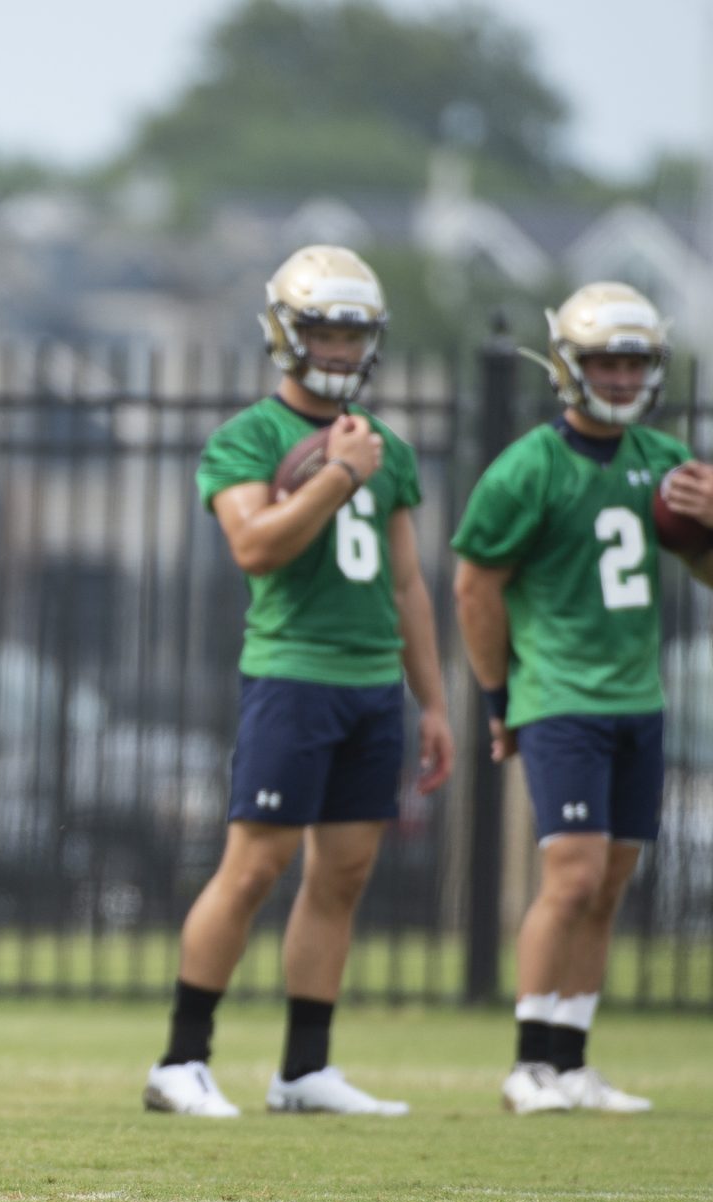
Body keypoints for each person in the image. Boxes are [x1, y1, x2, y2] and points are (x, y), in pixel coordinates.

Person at [144, 245, 454, 1118]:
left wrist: (432, 701)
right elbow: (257, 547)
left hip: (370, 686)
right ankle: (181, 1059)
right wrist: (338, 474)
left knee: (345, 874)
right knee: (252, 869)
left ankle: (304, 1068)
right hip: (292, 676)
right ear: (285, 332)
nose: (340, 347)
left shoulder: (386, 447)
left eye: (353, 333)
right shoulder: (250, 436)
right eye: (323, 328)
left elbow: (407, 586)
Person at [453, 282, 708, 1115]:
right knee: (570, 874)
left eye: (636, 359)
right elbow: (474, 588)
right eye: (607, 358)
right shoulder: (529, 466)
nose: (624, 374)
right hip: (560, 693)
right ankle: (527, 1062)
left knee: (608, 885)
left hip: (637, 695)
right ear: (568, 363)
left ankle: (571, 1060)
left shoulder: (664, 463)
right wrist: (500, 696)